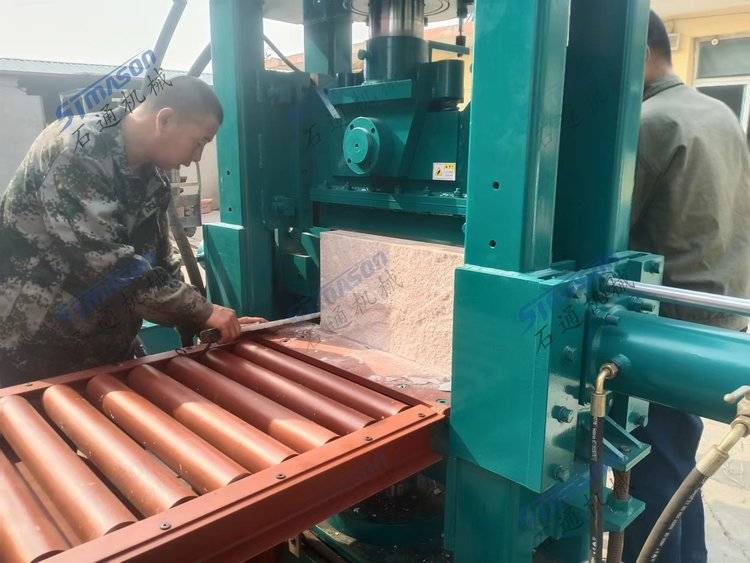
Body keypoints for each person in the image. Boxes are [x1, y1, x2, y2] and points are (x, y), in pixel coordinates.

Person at [0, 76, 261, 388]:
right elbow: (109, 269)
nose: (197, 158)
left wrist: (204, 321)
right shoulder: (74, 149)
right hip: (30, 351)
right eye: (200, 142)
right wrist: (203, 311)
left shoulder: (153, 181)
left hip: (103, 348)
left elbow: (161, 264)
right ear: (165, 120)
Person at [623, 11, 750, 562]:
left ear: (638, 54)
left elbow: (602, 229)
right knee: (677, 461)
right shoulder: (717, 110)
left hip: (665, 326)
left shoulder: (649, 123)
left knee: (651, 471)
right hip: (718, 318)